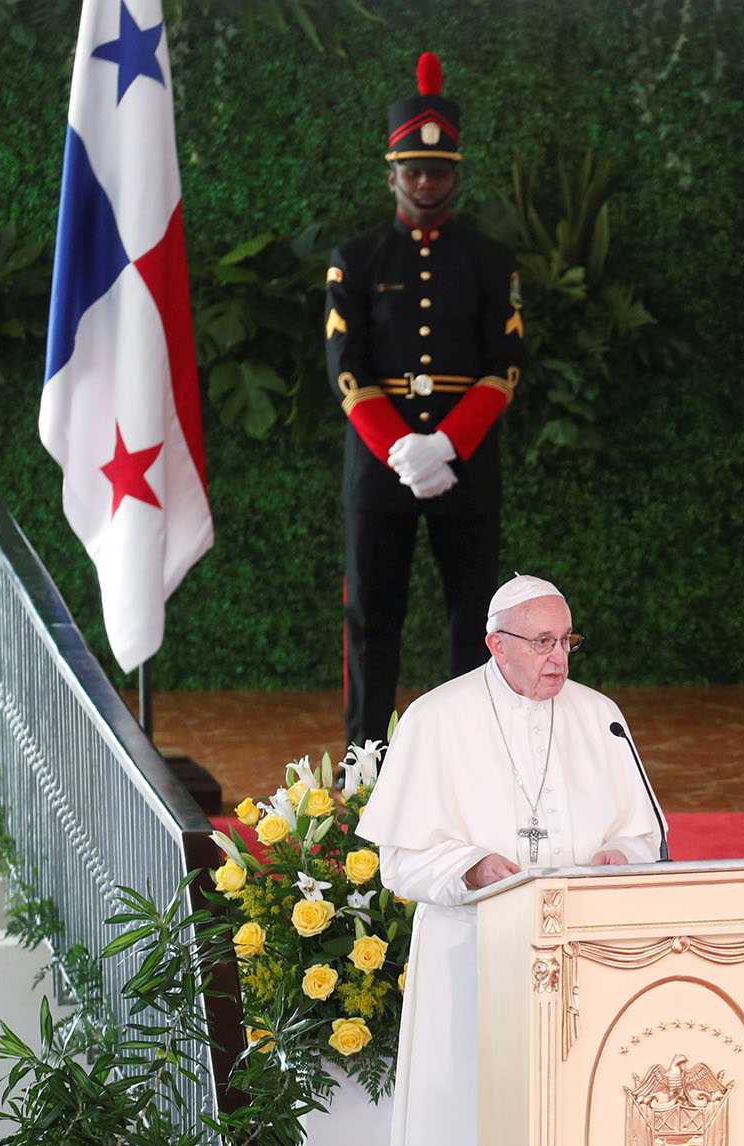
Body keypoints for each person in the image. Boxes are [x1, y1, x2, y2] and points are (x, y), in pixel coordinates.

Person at [357, 574, 664, 1146]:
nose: (558, 658)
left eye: (567, 641)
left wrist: (620, 858)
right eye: (542, 643)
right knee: (468, 1142)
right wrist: (471, 866)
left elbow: (643, 831)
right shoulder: (438, 719)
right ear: (496, 644)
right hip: (473, 962)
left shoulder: (601, 718)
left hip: (583, 967)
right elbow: (398, 859)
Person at [328, 51, 525, 751]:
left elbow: (505, 365)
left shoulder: (490, 260)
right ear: (392, 175)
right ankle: (362, 768)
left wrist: (446, 444)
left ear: (457, 176)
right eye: (413, 170)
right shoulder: (355, 259)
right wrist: (401, 448)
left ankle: (472, 760)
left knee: (476, 619)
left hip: (464, 468)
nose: (426, 181)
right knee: (371, 621)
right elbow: (346, 368)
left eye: (438, 171)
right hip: (381, 470)